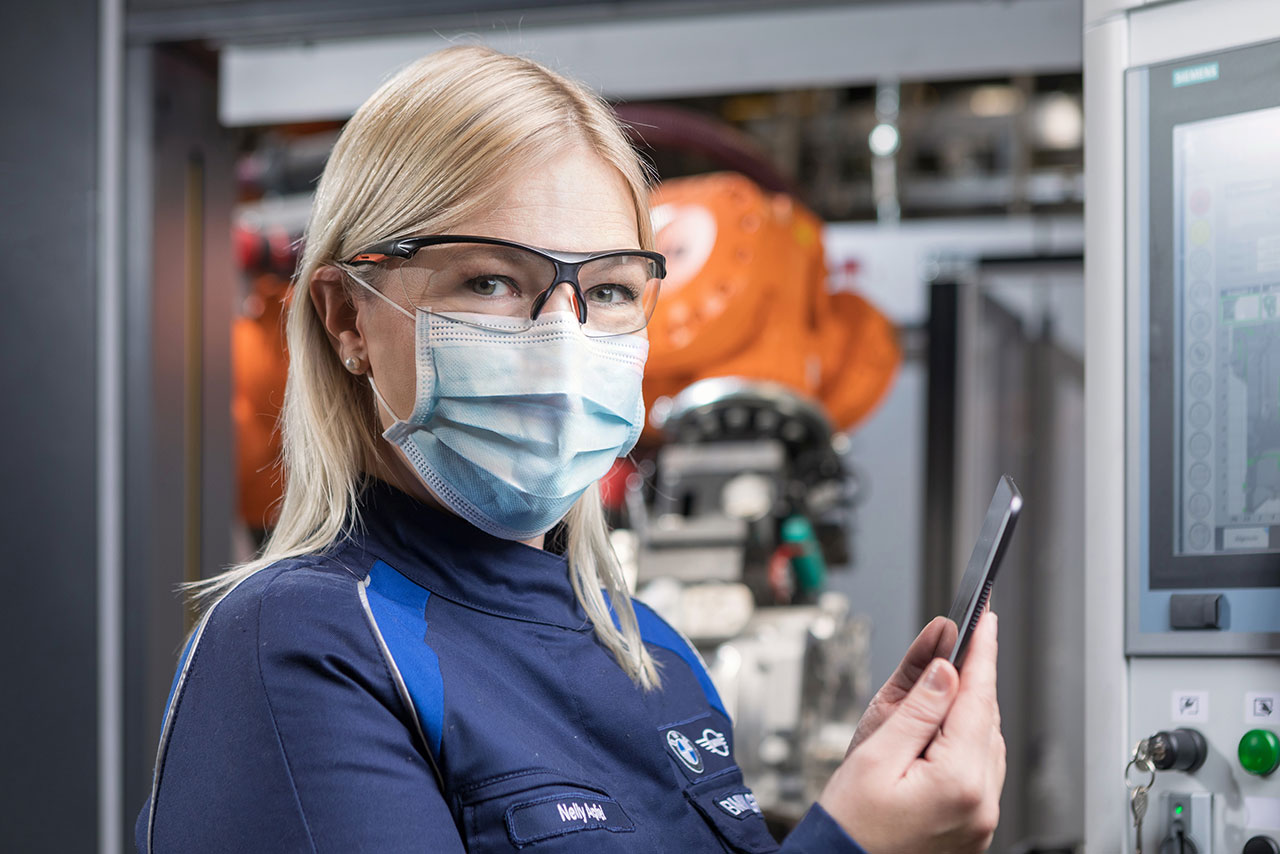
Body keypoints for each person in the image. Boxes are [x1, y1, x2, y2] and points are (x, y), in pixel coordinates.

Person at [137, 45, 1004, 853]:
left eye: (611, 290)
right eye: (489, 280)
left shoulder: (656, 655)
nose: (561, 344)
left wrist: (854, 802)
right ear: (347, 317)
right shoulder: (301, 644)